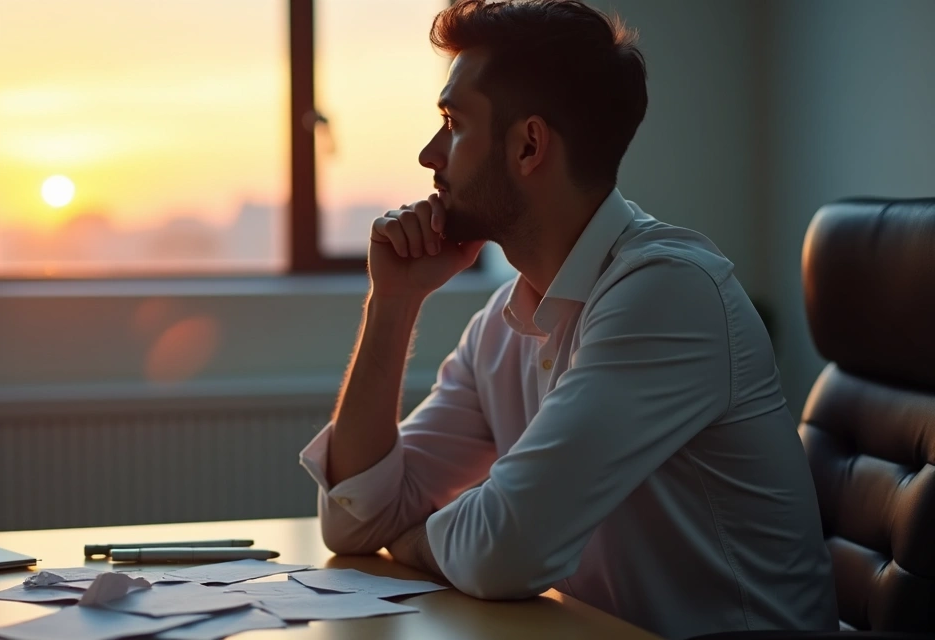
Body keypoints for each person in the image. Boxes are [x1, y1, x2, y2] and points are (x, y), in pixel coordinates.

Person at [298, 1, 838, 638]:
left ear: (529, 145)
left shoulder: (668, 293)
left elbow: (505, 551)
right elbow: (356, 520)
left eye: (453, 122)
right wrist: (392, 304)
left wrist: (410, 538)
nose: (427, 154)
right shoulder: (502, 326)